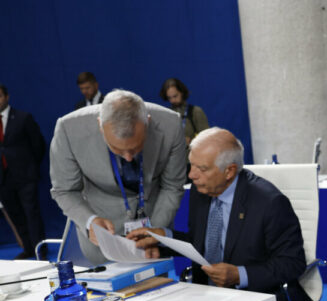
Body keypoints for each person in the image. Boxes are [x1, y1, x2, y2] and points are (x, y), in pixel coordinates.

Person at [127, 127, 310, 301]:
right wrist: (164, 237)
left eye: (202, 169)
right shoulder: (202, 190)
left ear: (229, 171)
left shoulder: (269, 202)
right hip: (205, 297)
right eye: (192, 165)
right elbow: (202, 244)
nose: (192, 175)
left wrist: (240, 275)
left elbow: (293, 263)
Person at [50, 89, 187, 264]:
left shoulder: (170, 124)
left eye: (136, 148)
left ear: (148, 123)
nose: (128, 157)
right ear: (100, 125)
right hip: (103, 240)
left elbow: (172, 187)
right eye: (117, 149)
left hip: (155, 231)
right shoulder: (69, 129)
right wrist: (90, 221)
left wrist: (153, 233)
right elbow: (64, 190)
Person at [0, 84, 46, 259]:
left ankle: (39, 249)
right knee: (15, 214)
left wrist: (30, 167)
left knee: (31, 213)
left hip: (25, 176)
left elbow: (38, 145)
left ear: (7, 97)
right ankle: (27, 248)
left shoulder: (22, 118)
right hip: (3, 178)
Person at [159, 77, 209, 147]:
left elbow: (207, 139)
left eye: (175, 96)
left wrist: (192, 141)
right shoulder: (166, 114)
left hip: (192, 155)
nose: (172, 101)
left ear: (182, 92)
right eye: (169, 98)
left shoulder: (195, 112)